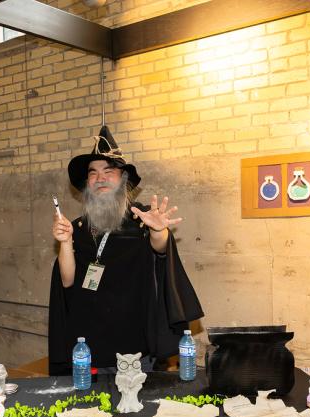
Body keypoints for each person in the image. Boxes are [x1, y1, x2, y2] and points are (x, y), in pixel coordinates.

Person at [48, 125, 203, 375]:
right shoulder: (77, 227)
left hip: (133, 347)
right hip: (88, 346)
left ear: (123, 179)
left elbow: (160, 250)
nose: (100, 178)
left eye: (108, 171)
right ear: (87, 182)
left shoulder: (142, 219)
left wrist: (158, 231)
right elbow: (67, 281)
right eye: (93, 173)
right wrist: (65, 242)